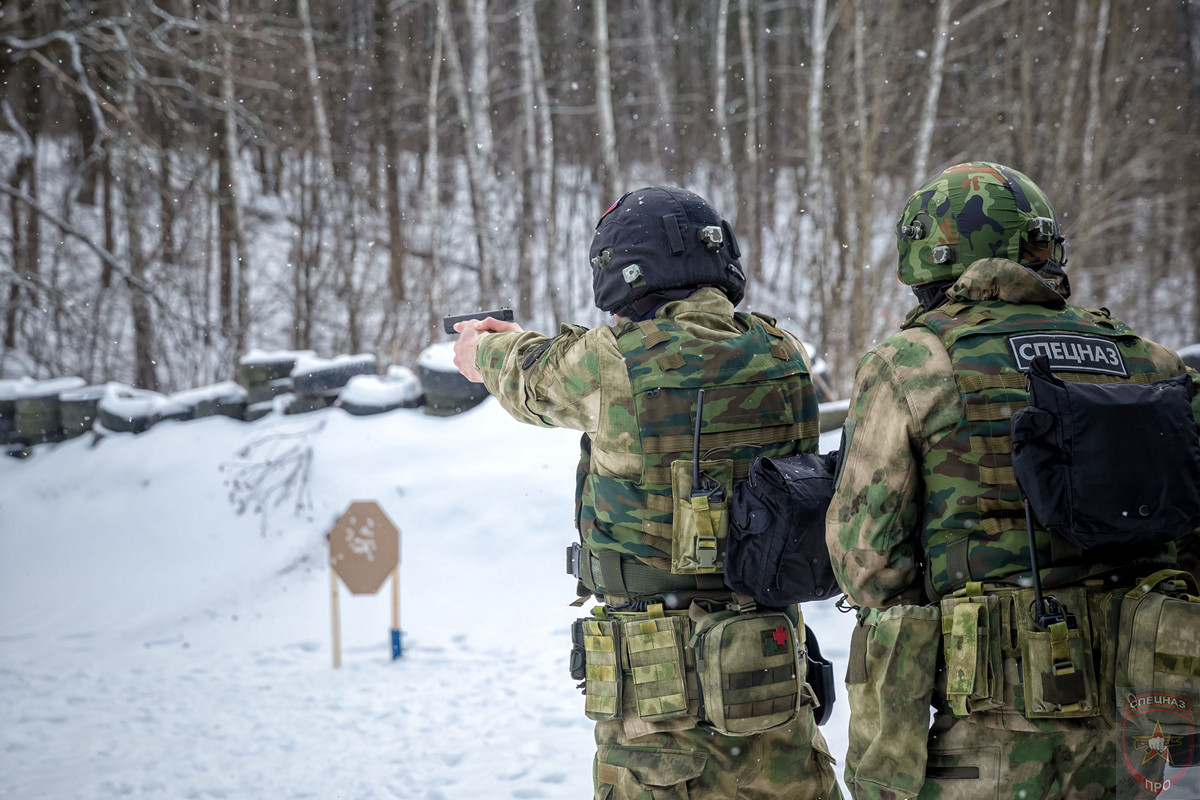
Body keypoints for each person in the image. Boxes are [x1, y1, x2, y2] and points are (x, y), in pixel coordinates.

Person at [825, 161, 1200, 800]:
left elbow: (866, 561)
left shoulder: (915, 361)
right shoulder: (1146, 359)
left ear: (933, 260)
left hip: (994, 728)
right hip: (1145, 723)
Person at [453, 186, 841, 800]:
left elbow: (527, 376)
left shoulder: (617, 362)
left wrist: (482, 348)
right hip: (771, 676)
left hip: (662, 708)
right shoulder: (782, 352)